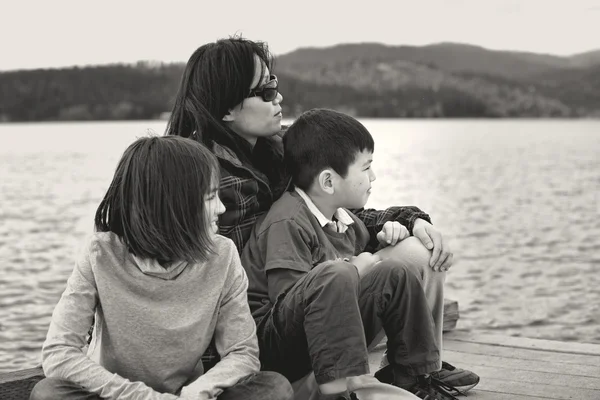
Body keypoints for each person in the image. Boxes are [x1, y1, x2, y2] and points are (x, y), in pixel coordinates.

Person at [165, 36, 477, 394]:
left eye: (276, 85)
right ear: (227, 109)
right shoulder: (194, 175)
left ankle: (416, 369)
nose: (278, 97)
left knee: (417, 252)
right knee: (349, 273)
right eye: (266, 91)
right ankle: (345, 386)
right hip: (252, 334)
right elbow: (219, 283)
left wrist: (409, 219)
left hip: (314, 290)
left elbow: (335, 209)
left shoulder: (281, 148)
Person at [29, 136, 293, 400]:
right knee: (48, 393)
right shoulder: (100, 254)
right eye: (211, 197)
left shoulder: (222, 255)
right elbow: (59, 352)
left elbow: (242, 354)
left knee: (273, 388)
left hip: (188, 396)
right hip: (115, 396)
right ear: (174, 206)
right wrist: (143, 397)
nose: (221, 208)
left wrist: (196, 393)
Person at [240, 108, 471, 400]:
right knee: (340, 274)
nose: (373, 176)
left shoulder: (345, 220)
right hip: (276, 350)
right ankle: (347, 391)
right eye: (365, 167)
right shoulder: (288, 221)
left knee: (395, 273)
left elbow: (364, 263)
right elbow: (289, 301)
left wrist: (388, 233)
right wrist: (357, 267)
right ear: (328, 182)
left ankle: (411, 376)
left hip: (321, 337)